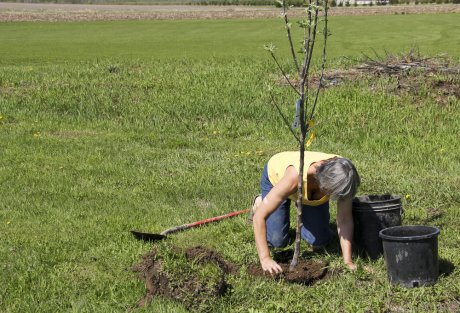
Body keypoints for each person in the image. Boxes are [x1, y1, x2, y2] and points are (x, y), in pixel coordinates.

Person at [250, 151, 360, 274]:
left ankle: (303, 203)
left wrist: (348, 261)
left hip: (308, 190)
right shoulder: (294, 177)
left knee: (319, 243)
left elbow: (344, 219)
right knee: (277, 242)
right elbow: (259, 218)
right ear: (324, 185)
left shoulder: (345, 178)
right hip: (277, 179)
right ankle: (262, 201)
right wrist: (265, 258)